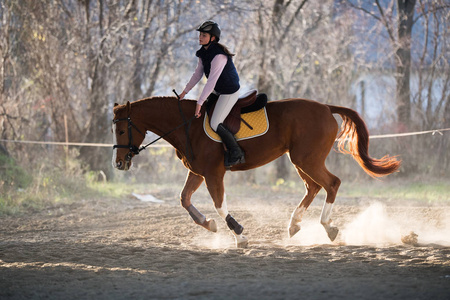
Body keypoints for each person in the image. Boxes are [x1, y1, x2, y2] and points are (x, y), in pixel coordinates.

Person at [179, 20, 245, 167]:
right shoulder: (204, 53)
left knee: (215, 123)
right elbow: (197, 74)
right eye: (200, 35)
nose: (200, 37)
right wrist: (184, 92)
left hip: (229, 92)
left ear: (213, 38)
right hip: (218, 91)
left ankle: (236, 152)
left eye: (204, 35)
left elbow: (211, 82)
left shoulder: (219, 56)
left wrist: (199, 103)